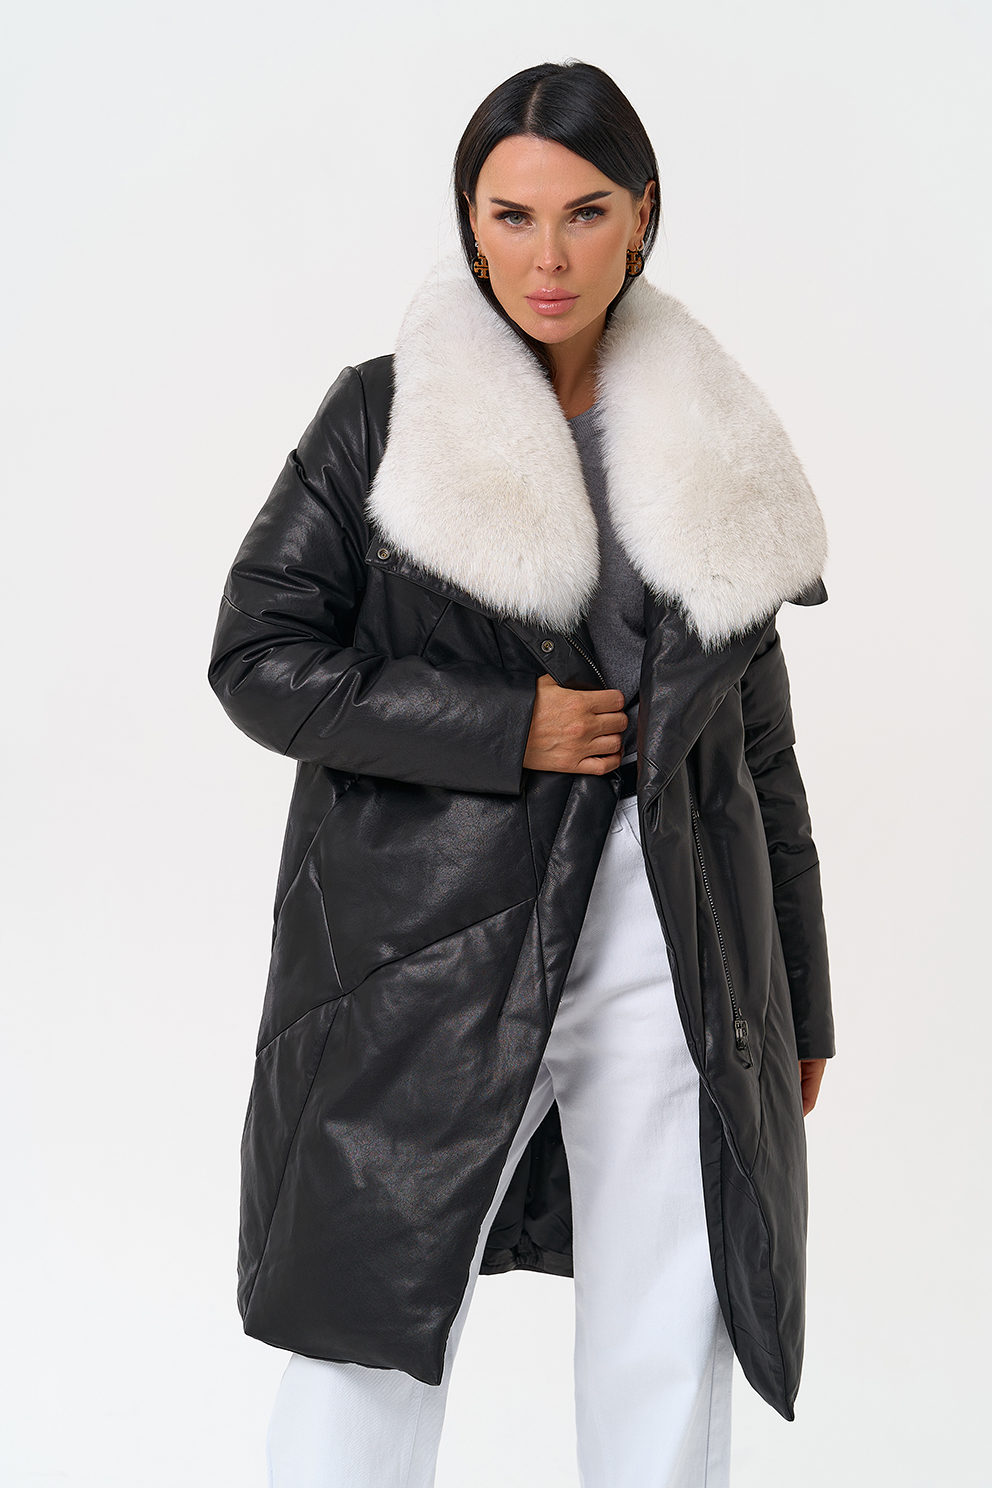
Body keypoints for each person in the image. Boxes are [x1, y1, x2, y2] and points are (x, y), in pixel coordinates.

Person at [208, 59, 834, 1488]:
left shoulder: (716, 447)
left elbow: (762, 755)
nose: (547, 256)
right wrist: (505, 728)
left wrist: (797, 991)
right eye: (512, 215)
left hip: (674, 934)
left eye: (584, 212)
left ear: (642, 216)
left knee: (671, 1323)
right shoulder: (384, 418)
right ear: (471, 222)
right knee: (366, 1327)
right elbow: (257, 656)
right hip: (425, 940)